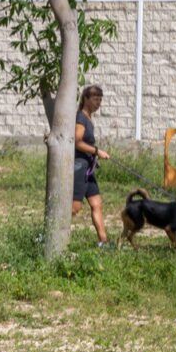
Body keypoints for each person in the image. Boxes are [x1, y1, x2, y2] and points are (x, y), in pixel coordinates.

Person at [74, 84, 110, 246]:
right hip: (79, 167)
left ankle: (103, 242)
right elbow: (76, 142)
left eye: (100, 100)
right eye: (95, 99)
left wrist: (94, 155)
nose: (98, 103)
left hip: (88, 168)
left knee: (97, 204)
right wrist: (97, 151)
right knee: (74, 208)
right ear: (86, 99)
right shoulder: (81, 118)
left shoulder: (89, 118)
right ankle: (49, 236)